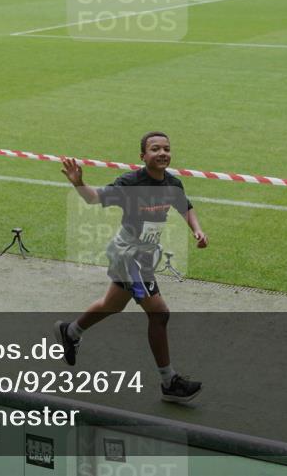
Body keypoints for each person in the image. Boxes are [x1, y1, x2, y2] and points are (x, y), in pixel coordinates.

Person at [56, 131, 209, 403]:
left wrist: (197, 230)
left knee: (111, 305)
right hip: (128, 256)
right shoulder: (130, 182)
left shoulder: (172, 184)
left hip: (144, 256)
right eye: (155, 149)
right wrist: (79, 183)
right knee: (159, 313)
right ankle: (168, 381)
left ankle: (70, 332)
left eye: (166, 148)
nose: (162, 153)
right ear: (143, 156)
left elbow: (186, 207)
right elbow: (94, 198)